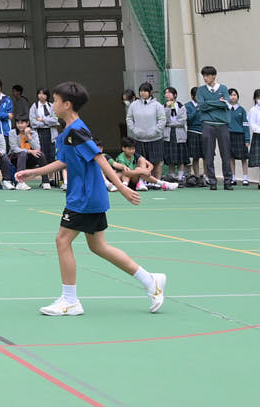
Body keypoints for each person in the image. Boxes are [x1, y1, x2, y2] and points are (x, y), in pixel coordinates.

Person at [15, 80, 166, 317]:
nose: (52, 104)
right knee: (98, 246)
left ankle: (70, 300)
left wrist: (122, 187)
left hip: (85, 197)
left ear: (67, 104)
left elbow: (99, 158)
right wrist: (34, 172)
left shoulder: (77, 130)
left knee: (62, 240)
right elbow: (63, 161)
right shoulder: (68, 132)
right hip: (85, 195)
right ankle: (150, 280)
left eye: (55, 100)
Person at [190, 65, 233, 189]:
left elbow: (226, 103)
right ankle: (212, 181)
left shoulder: (223, 88)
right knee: (208, 154)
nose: (205, 78)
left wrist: (210, 103)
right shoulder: (201, 90)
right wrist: (218, 103)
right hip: (207, 124)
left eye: (207, 75)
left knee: (226, 154)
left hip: (222, 124)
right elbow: (202, 106)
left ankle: (228, 181)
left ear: (214, 76)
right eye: (203, 75)